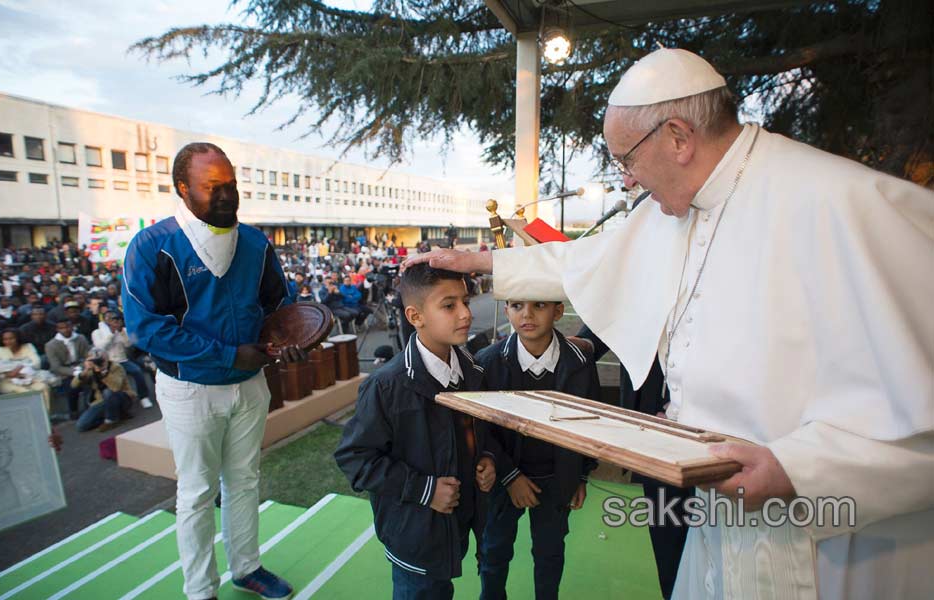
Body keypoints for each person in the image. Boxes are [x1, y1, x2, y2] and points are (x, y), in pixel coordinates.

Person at [404, 48, 934, 599]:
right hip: (721, 520)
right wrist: (484, 262)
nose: (627, 181)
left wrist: (797, 469)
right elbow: (591, 259)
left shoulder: (846, 203)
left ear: (678, 137)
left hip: (833, 548)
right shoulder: (681, 208)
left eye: (626, 161)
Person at [123, 142, 302, 600]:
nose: (227, 196)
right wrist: (228, 355)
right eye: (213, 187)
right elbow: (147, 329)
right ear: (182, 188)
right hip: (190, 389)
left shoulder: (256, 242)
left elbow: (278, 304)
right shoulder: (151, 246)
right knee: (198, 491)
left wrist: (294, 335)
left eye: (231, 185)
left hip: (250, 384)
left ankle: (246, 568)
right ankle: (201, 589)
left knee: (244, 481)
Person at [335, 263, 494, 599]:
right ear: (415, 316)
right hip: (414, 536)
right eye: (449, 305)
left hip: (458, 524)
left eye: (465, 301)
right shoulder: (386, 386)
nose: (465, 313)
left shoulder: (472, 371)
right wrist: (425, 490)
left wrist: (486, 458)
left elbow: (477, 434)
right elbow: (354, 458)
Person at [475, 300, 600, 600]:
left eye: (539, 305)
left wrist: (580, 476)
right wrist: (509, 477)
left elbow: (591, 423)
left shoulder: (580, 363)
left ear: (558, 311)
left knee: (550, 553)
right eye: (517, 305)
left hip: (557, 481)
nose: (527, 314)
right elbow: (480, 428)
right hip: (504, 482)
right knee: (493, 551)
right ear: (506, 311)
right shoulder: (488, 361)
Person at [93, 311, 154, 408]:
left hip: (123, 360)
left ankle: (144, 397)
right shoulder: (97, 332)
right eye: (109, 318)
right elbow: (100, 347)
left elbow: (130, 344)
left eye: (115, 319)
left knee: (137, 371)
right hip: (108, 363)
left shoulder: (124, 330)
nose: (113, 321)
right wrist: (111, 334)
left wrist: (121, 332)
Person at [71, 348, 133, 432]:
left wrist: (103, 371)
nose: (98, 362)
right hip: (102, 401)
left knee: (108, 392)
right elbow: (73, 385)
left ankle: (111, 421)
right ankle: (117, 415)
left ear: (106, 358)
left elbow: (116, 387)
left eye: (100, 360)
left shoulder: (115, 367)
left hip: (122, 397)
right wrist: (85, 371)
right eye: (95, 360)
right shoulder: (91, 370)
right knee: (81, 426)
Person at [0, 328, 51, 407]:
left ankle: (45, 416)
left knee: (43, 387)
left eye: (11, 338)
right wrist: (7, 374)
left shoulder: (28, 346)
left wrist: (20, 368)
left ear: (18, 338)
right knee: (25, 392)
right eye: (5, 339)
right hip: (7, 382)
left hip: (30, 378)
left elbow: (36, 363)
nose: (8, 341)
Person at [45, 319, 91, 419]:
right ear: (57, 329)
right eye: (62, 328)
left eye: (68, 327)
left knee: (90, 382)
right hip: (64, 372)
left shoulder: (80, 338)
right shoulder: (50, 345)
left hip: (81, 366)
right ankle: (73, 412)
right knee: (72, 386)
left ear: (72, 326)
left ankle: (90, 407)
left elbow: (88, 356)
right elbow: (56, 367)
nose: (65, 330)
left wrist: (81, 367)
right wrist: (74, 372)